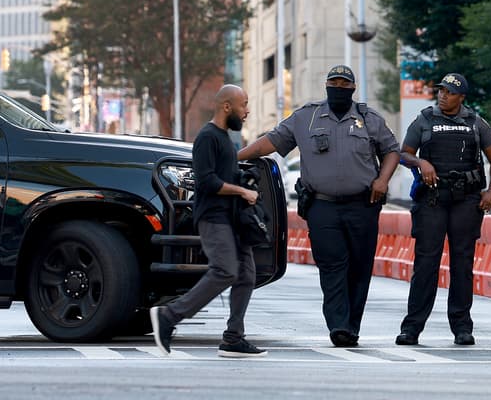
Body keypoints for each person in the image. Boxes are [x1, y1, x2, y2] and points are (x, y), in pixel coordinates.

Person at [237, 65, 400, 348]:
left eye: (344, 84)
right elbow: (270, 143)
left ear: (352, 88)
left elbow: (392, 151)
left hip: (363, 205)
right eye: (333, 82)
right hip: (322, 207)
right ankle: (338, 326)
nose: (339, 87)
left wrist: (383, 180)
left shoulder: (368, 119)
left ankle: (351, 326)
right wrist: (233, 158)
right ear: (326, 86)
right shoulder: (306, 117)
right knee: (332, 265)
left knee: (359, 267)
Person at [151, 85, 266, 358]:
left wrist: (244, 180)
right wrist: (242, 191)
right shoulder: (207, 137)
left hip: (233, 218)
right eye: (244, 104)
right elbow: (207, 182)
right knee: (225, 270)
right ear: (227, 106)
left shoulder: (225, 138)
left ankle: (233, 338)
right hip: (214, 217)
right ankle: (168, 316)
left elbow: (224, 176)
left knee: (246, 275)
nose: (247, 110)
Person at [395, 72, 491, 346]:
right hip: (432, 199)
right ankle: (412, 328)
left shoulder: (476, 123)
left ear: (461, 97)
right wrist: (421, 163)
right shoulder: (424, 120)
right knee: (426, 263)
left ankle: (462, 327)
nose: (443, 96)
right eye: (441, 91)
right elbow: (403, 153)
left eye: (450, 92)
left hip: (466, 200)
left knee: (462, 264)